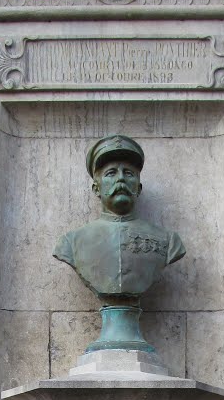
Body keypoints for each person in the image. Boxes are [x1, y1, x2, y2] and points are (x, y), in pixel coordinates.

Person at [53, 135, 185, 352]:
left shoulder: (168, 241)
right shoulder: (72, 242)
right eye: (111, 173)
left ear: (139, 188)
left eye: (129, 173)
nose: (121, 180)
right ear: (96, 188)